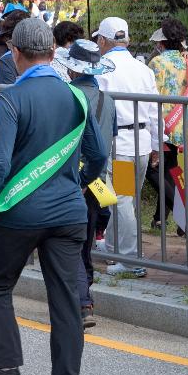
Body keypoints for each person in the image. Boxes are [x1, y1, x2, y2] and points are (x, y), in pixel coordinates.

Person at [0, 18, 108, 375]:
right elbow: (99, 155)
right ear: (54, 52)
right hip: (70, 212)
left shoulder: (10, 97)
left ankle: (8, 372)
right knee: (65, 299)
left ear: (15, 52)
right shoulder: (76, 96)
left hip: (21, 212)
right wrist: (78, 183)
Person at [54, 39, 117, 330]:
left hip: (70, 177)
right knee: (87, 239)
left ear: (72, 69)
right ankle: (85, 295)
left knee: (70, 243)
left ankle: (82, 301)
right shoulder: (108, 99)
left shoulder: (67, 96)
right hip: (97, 178)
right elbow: (109, 138)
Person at [93, 16, 159, 278]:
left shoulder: (104, 68)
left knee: (120, 199)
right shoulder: (143, 68)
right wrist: (156, 144)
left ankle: (130, 259)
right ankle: (114, 248)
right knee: (127, 199)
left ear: (103, 40)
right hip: (141, 142)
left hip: (120, 143)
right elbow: (155, 110)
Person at [144, 18, 188, 228]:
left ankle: (184, 216)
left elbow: (151, 93)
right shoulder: (186, 61)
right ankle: (160, 218)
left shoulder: (156, 63)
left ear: (161, 42)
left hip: (161, 124)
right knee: (171, 171)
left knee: (153, 170)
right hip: (180, 123)